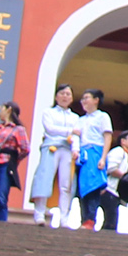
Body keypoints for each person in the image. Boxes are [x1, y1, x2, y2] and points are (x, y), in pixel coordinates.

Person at [29, 83, 82, 228]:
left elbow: (77, 135)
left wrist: (76, 148)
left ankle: (64, 218)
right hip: (51, 147)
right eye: (62, 93)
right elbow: (50, 129)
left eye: (68, 94)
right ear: (56, 96)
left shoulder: (75, 117)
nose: (65, 96)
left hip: (67, 150)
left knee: (66, 185)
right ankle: (40, 213)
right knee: (45, 179)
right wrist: (70, 131)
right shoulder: (48, 112)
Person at [73, 89, 109, 229]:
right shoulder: (80, 120)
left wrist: (103, 158)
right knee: (82, 187)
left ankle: (90, 218)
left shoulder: (102, 117)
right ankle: (84, 218)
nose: (84, 101)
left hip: (96, 153)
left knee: (93, 187)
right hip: (82, 154)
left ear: (96, 100)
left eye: (87, 97)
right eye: (83, 98)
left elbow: (107, 137)